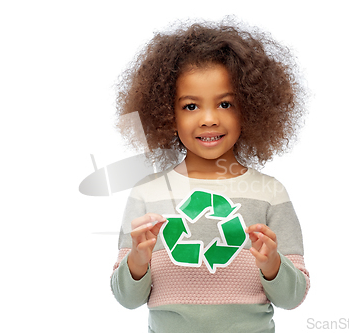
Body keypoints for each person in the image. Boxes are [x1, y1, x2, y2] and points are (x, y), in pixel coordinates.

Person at [110, 17, 310, 333]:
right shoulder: (146, 193)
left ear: (250, 107)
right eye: (190, 106)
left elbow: (293, 296)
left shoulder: (271, 193)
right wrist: (137, 259)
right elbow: (127, 299)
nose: (208, 119)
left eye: (225, 103)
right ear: (166, 113)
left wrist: (272, 264)